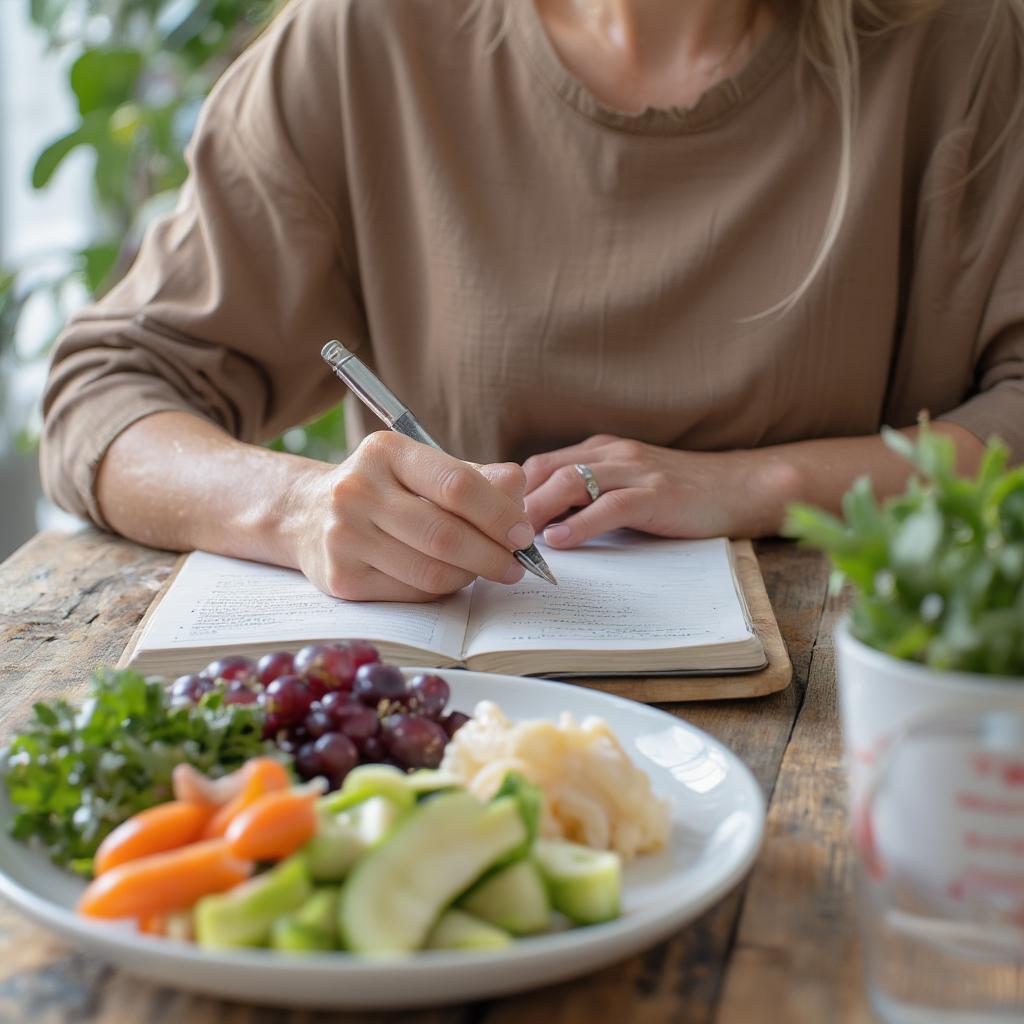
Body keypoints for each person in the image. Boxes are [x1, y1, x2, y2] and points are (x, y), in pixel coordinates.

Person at [41, 0, 1024, 603]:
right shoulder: (366, 36)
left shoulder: (962, 43)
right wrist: (293, 508)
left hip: (860, 720)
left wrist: (762, 484)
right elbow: (108, 395)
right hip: (455, 711)